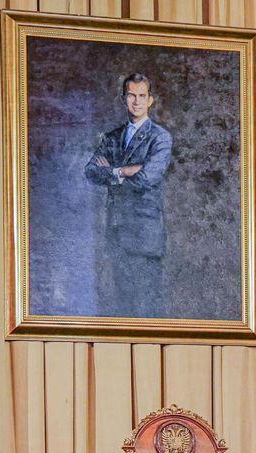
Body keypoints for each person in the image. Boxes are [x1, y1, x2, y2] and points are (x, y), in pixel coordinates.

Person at [84, 72, 172, 318]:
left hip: (145, 238)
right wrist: (124, 170)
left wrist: (111, 172)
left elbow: (147, 178)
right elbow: (91, 172)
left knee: (146, 311)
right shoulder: (112, 138)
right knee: (124, 308)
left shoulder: (160, 138)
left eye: (142, 96)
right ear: (124, 99)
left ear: (150, 100)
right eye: (132, 96)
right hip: (118, 235)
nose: (137, 102)